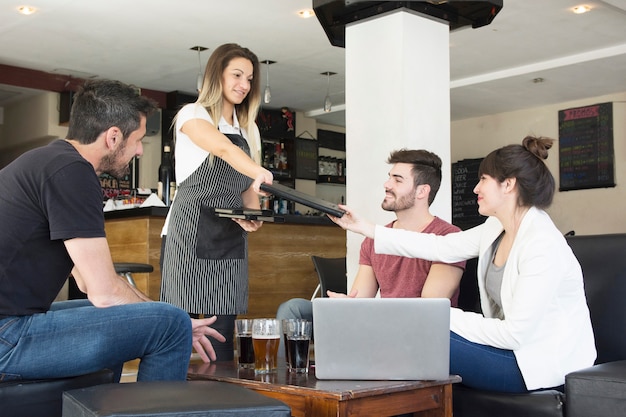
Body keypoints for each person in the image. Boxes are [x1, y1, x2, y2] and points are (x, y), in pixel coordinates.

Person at [330, 136, 596, 393]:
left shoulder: (541, 244)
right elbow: (440, 247)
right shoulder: (496, 227)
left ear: (508, 185)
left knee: (421, 339)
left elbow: (515, 335)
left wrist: (442, 316)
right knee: (414, 340)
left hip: (538, 364)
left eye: (483, 180)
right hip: (512, 351)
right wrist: (365, 228)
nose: (475, 189)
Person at [0, 79, 225, 383]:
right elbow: (106, 294)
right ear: (113, 136)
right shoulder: (73, 173)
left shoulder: (49, 161)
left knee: (158, 317)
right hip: (7, 336)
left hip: (10, 327)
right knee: (169, 324)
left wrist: (165, 313)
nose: (140, 151)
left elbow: (91, 282)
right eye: (138, 140)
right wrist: (177, 321)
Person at [277, 149, 465, 352]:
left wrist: (371, 313)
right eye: (389, 178)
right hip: (378, 325)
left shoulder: (448, 237)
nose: (387, 184)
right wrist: (347, 305)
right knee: (293, 309)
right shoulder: (374, 240)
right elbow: (361, 300)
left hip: (415, 334)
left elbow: (429, 309)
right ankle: (284, 380)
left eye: (398, 180)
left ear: (422, 191)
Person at [160, 43, 273, 361]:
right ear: (216, 76)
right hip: (189, 230)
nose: (244, 85)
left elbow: (248, 190)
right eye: (237, 75)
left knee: (223, 334)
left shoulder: (249, 129)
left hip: (229, 234)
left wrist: (253, 216)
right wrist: (258, 171)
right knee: (179, 327)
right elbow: (224, 150)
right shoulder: (192, 114)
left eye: (249, 78)